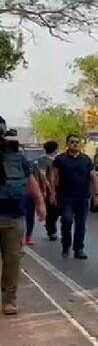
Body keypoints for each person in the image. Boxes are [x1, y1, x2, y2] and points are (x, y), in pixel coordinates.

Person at [0, 117, 45, 315]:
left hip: (13, 215)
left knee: (12, 261)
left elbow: (30, 179)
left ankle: (9, 300)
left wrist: (40, 203)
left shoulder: (16, 157)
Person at [50, 134, 98, 259]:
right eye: (72, 142)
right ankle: (66, 245)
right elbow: (53, 176)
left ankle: (79, 249)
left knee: (81, 223)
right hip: (65, 196)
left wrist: (97, 194)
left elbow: (93, 176)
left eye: (77, 142)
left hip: (82, 197)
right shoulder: (60, 159)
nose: (75, 144)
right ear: (67, 144)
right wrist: (52, 193)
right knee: (66, 221)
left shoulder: (86, 159)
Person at [37, 140, 59, 241]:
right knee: (51, 210)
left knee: (56, 210)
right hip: (48, 188)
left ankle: (51, 226)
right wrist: (48, 187)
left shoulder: (58, 159)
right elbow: (43, 175)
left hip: (59, 188)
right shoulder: (43, 159)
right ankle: (51, 230)